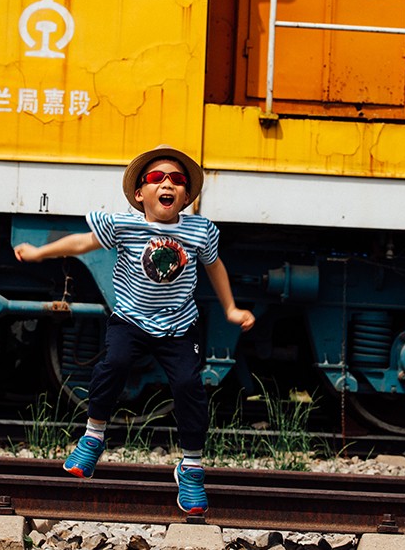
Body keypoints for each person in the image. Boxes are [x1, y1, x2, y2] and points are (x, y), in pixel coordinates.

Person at [14, 143, 255, 515]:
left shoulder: (200, 230)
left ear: (187, 196)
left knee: (189, 386)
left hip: (179, 326)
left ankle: (191, 467)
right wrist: (38, 252)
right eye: (156, 177)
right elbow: (82, 242)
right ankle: (93, 437)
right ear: (140, 194)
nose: (167, 184)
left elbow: (215, 266)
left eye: (177, 180)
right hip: (131, 319)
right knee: (114, 365)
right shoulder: (123, 225)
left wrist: (231, 308)